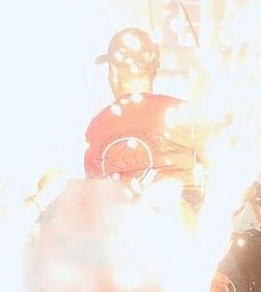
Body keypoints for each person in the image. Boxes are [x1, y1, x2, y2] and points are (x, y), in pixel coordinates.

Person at [83, 28, 201, 193]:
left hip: (117, 217)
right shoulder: (184, 113)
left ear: (114, 70)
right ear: (153, 70)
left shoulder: (97, 127)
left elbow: (91, 197)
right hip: (183, 215)